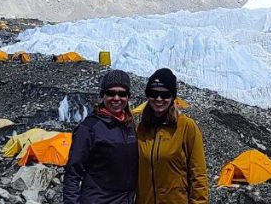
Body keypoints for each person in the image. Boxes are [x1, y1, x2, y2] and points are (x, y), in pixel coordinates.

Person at [63, 69, 138, 204]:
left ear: (128, 96)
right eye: (110, 93)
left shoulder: (130, 126)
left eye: (122, 93)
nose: (116, 98)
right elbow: (73, 172)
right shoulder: (89, 128)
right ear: (103, 95)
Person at [136, 68, 208, 204]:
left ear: (173, 97)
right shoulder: (142, 128)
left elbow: (198, 176)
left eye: (165, 95)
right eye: (153, 93)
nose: (158, 99)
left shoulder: (187, 127)